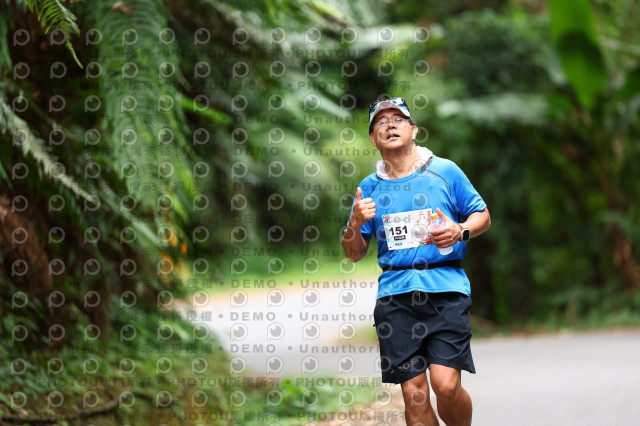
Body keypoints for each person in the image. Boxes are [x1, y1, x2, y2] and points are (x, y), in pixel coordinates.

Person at [342, 97, 491, 426]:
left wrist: (460, 231)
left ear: (414, 130)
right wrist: (354, 222)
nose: (390, 125)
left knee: (446, 386)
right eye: (381, 122)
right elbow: (353, 253)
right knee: (414, 393)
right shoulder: (368, 188)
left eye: (398, 119)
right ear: (373, 138)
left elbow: (482, 216)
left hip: (446, 290)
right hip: (394, 297)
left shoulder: (445, 171)